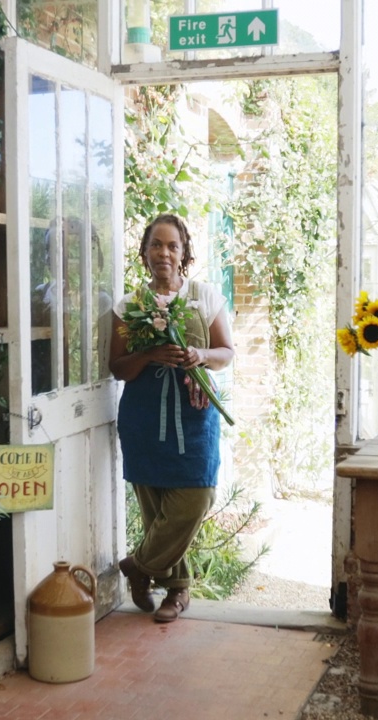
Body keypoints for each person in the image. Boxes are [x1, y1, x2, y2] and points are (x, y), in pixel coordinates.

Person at [109, 213, 234, 623]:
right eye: (156, 245)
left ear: (184, 253)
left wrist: (200, 355)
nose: (164, 252)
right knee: (156, 510)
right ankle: (176, 593)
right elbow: (118, 368)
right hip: (144, 417)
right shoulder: (130, 306)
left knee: (196, 497)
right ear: (144, 252)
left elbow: (226, 352)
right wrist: (149, 355)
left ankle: (138, 567)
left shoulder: (204, 297)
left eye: (172, 246)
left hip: (193, 416)